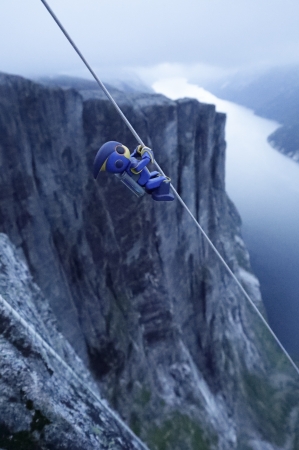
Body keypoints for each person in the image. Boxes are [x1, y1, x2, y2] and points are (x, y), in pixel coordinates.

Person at [93, 141, 174, 201]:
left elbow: (132, 156)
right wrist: (147, 155)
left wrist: (137, 151)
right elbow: (140, 165)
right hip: (146, 182)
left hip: (147, 178)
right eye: (120, 150)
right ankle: (162, 194)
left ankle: (157, 188)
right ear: (118, 163)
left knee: (157, 174)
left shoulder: (127, 165)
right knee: (165, 179)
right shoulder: (132, 166)